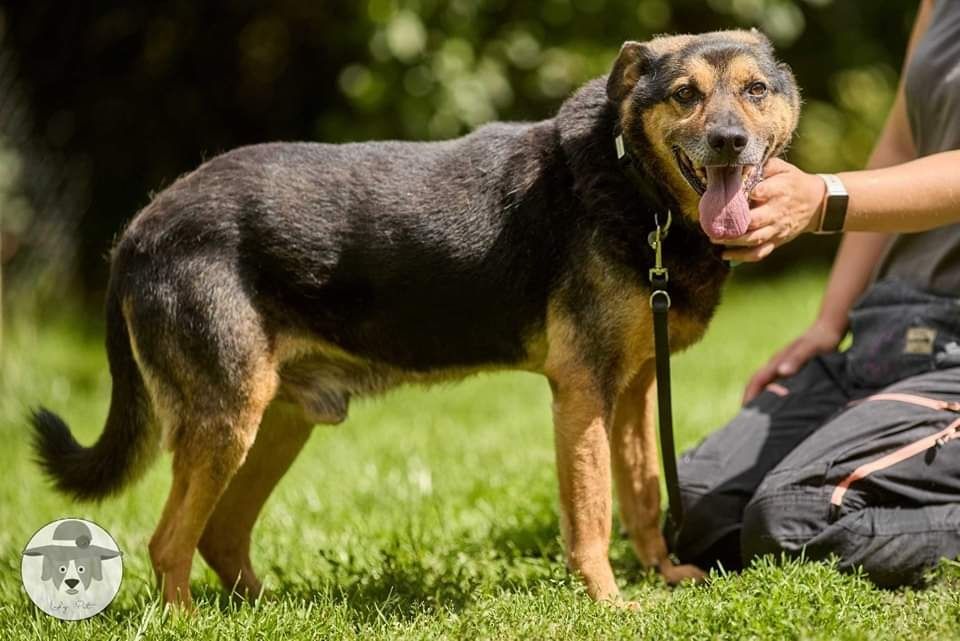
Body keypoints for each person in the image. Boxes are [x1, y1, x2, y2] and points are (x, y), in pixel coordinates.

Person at [670, 0, 960, 587]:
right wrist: (830, 322)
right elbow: (903, 142)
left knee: (795, 520)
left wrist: (824, 198)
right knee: (697, 507)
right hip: (897, 326)